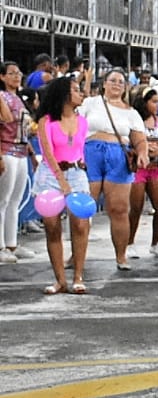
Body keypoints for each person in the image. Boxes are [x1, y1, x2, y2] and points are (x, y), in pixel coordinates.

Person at [82, 68, 149, 272]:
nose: (117, 84)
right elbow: (74, 127)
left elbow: (139, 138)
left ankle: (121, 256)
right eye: (112, 80)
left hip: (118, 157)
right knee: (83, 208)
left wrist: (143, 153)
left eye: (121, 81)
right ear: (104, 84)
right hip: (90, 153)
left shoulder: (131, 112)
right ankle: (76, 256)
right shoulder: (90, 103)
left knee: (119, 209)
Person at [32, 75, 90, 294]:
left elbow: (80, 148)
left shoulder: (82, 121)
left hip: (76, 171)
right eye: (76, 90)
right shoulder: (47, 121)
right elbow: (47, 153)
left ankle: (78, 275)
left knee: (80, 224)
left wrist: (80, 170)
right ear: (65, 94)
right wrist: (61, 180)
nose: (81, 93)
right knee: (52, 226)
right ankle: (60, 279)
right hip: (51, 174)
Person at [125, 86, 158, 260]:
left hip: (155, 167)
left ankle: (155, 243)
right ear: (144, 103)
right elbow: (127, 143)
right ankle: (129, 243)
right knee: (136, 207)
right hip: (139, 168)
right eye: (154, 101)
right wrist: (141, 151)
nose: (157, 105)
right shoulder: (134, 120)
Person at [0, 61, 35, 263]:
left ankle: (11, 243)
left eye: (19, 72)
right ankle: (1, 246)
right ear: (2, 77)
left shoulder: (19, 99)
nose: (17, 76)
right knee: (3, 200)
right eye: (11, 73)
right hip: (6, 149)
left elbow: (24, 128)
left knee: (15, 200)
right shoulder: (2, 97)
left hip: (21, 151)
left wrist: (30, 151)